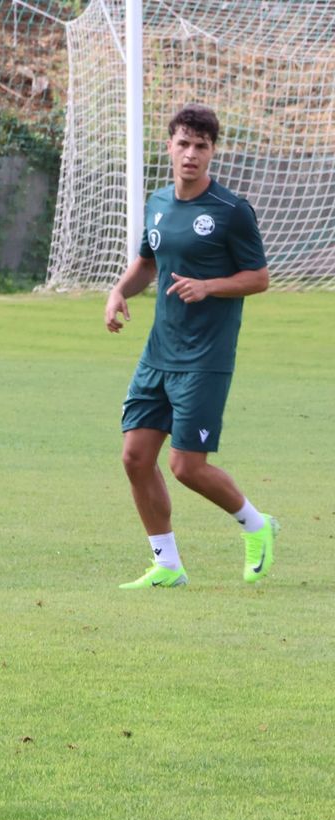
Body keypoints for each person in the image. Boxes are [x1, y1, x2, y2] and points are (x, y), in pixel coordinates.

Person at [105, 104, 274, 589]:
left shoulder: (231, 212)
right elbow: (147, 262)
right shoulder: (157, 201)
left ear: (212, 152)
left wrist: (209, 286)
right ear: (170, 147)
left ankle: (257, 526)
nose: (191, 154)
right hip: (159, 353)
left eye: (201, 146)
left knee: (185, 466)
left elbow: (259, 278)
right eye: (183, 144)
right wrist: (119, 292)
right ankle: (167, 564)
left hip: (205, 359)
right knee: (135, 457)